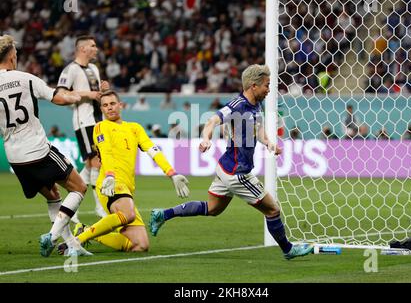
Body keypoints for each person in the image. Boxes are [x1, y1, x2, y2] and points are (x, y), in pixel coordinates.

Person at [149, 64, 313, 260]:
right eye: (267, 85)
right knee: (273, 209)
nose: (269, 89)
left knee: (212, 209)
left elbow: (257, 128)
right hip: (237, 173)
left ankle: (163, 214)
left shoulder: (256, 104)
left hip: (225, 167)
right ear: (253, 86)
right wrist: (206, 138)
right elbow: (212, 121)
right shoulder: (236, 106)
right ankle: (288, 250)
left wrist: (268, 142)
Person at [0, 34, 90, 257]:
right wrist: (77, 96)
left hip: (15, 157)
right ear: (12, 56)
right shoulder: (26, 78)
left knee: (53, 194)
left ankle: (71, 246)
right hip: (38, 150)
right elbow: (57, 98)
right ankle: (51, 236)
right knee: (79, 187)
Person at [66, 90, 190, 252]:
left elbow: (154, 151)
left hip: (127, 187)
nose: (109, 108)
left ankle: (85, 230)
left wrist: (171, 173)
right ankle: (77, 241)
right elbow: (107, 152)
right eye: (105, 105)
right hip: (110, 183)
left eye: (112, 104)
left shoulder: (135, 128)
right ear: (101, 109)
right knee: (128, 214)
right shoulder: (101, 127)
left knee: (140, 245)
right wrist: (110, 175)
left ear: (120, 105)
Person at [57, 35, 108, 219]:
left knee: (90, 164)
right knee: (96, 162)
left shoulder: (94, 68)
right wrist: (89, 93)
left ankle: (73, 203)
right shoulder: (71, 69)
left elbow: (98, 95)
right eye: (93, 46)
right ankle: (100, 208)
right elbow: (61, 93)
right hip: (83, 121)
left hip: (98, 121)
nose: (96, 49)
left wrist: (103, 90)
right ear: (83, 49)